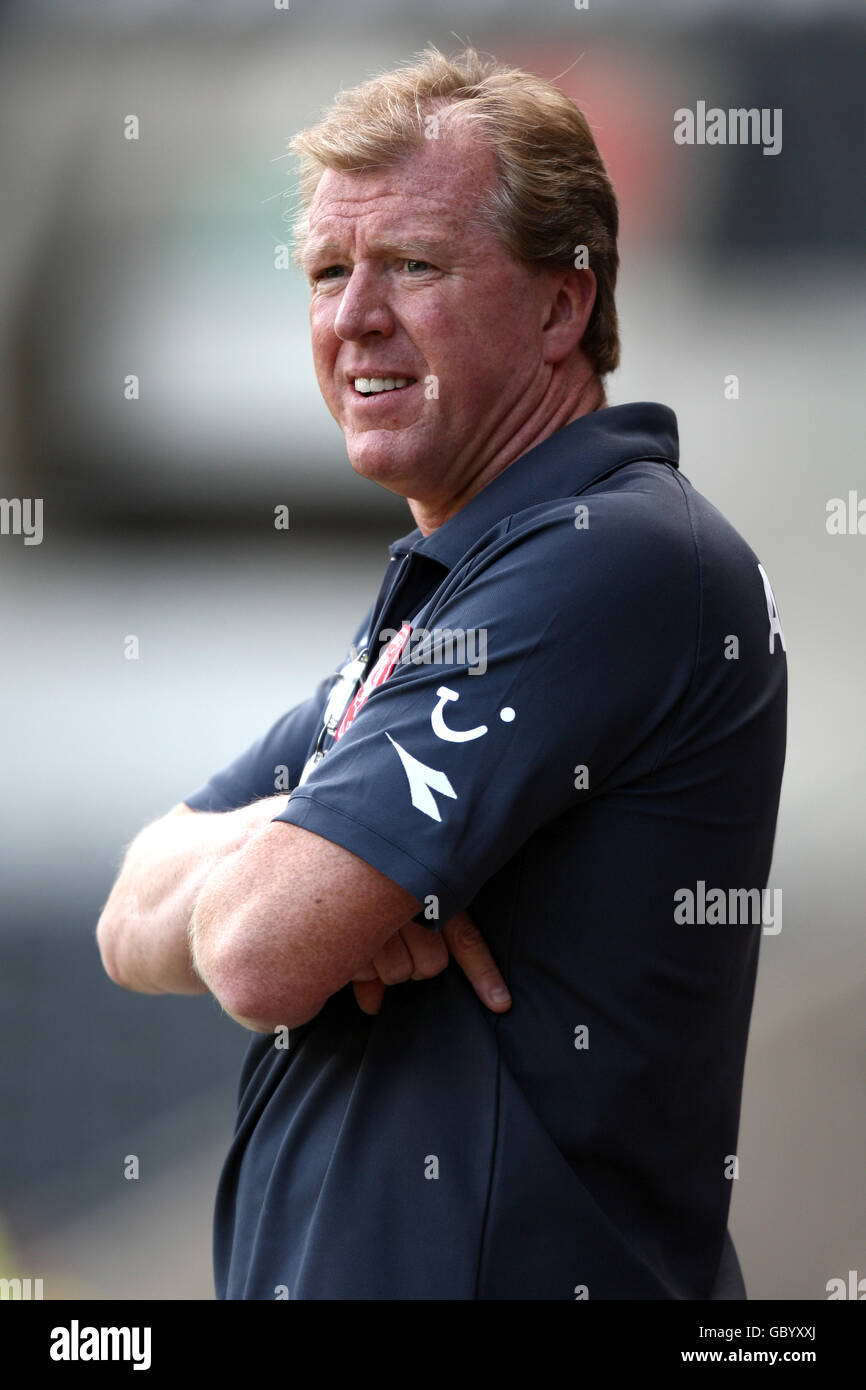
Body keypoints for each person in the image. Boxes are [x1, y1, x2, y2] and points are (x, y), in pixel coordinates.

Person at [96, 46, 787, 1300]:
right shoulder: (451, 587)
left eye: (411, 264)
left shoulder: (607, 554)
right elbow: (127, 916)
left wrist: (310, 879)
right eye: (324, 272)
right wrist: (303, 840)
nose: (353, 315)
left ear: (560, 305)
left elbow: (254, 956)